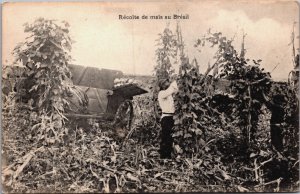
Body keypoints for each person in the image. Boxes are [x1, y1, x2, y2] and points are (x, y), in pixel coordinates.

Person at [158, 78, 178, 159]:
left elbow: (175, 91)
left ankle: (168, 156)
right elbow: (171, 90)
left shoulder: (168, 95)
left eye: (167, 82)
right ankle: (163, 156)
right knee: (165, 137)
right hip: (166, 118)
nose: (167, 83)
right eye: (165, 82)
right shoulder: (162, 93)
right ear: (162, 85)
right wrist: (175, 82)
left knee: (169, 137)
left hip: (171, 117)